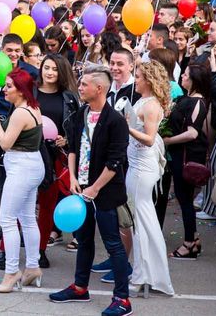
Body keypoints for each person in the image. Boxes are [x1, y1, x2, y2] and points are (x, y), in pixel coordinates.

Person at [50, 65, 132, 316]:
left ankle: (123, 299)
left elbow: (115, 161)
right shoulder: (80, 115)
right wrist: (74, 177)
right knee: (84, 239)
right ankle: (80, 287)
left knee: (113, 244)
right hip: (82, 188)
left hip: (105, 191)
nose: (80, 87)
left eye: (84, 84)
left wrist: (95, 188)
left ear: (99, 88)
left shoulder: (115, 121)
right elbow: (73, 148)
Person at [0, 68, 45, 293]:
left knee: (7, 219)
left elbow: (5, 143)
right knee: (27, 218)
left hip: (22, 167)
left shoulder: (21, 112)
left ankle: (12, 272)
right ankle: (33, 267)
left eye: (9, 86)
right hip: (31, 165)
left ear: (21, 91)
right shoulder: (32, 107)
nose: (4, 90)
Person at [126, 61, 174, 296]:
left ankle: (143, 275)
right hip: (135, 164)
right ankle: (146, 273)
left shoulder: (152, 105)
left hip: (142, 169)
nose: (135, 80)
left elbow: (148, 137)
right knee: (141, 220)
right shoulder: (142, 101)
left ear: (149, 80)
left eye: (138, 76)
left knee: (141, 221)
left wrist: (126, 127)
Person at [161, 62, 209, 259]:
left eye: (186, 75)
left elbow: (192, 132)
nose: (182, 77)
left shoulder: (198, 102)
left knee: (185, 199)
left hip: (187, 155)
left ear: (194, 79)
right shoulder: (184, 98)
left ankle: (189, 242)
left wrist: (169, 140)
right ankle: (194, 239)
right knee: (183, 198)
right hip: (178, 153)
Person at [36, 54, 78, 259]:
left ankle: (41, 249)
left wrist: (67, 140)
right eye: (46, 68)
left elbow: (78, 127)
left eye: (54, 69)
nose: (50, 72)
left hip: (55, 157)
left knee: (47, 204)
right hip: (29, 154)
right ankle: (7, 250)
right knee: (24, 203)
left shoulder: (69, 97)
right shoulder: (30, 93)